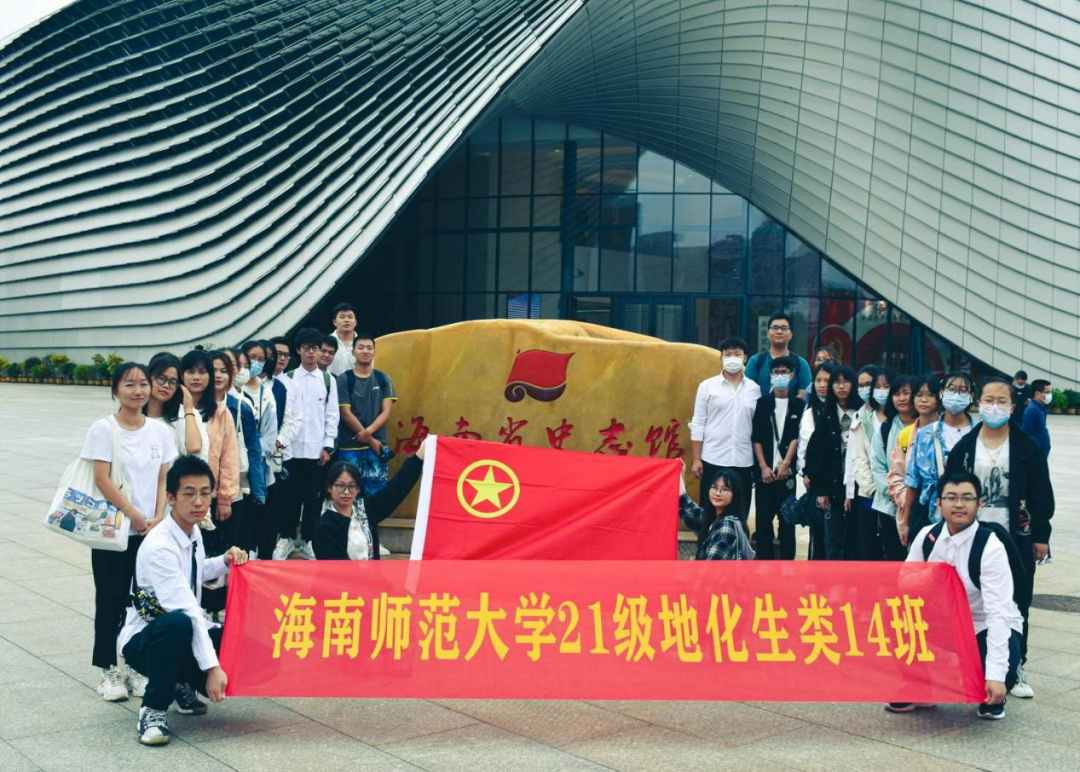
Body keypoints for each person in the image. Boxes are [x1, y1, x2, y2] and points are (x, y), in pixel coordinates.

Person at [119, 455, 248, 745]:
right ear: (171, 498)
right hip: (145, 640)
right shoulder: (160, 546)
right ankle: (153, 709)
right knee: (178, 624)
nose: (199, 502)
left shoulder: (192, 530)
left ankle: (179, 682)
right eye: (189, 494)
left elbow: (195, 571)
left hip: (179, 631)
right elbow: (185, 609)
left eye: (205, 493)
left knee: (235, 642)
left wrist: (224, 561)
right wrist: (212, 669)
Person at [945, 376, 1054, 700]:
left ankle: (1016, 666)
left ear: (1012, 406)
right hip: (972, 537)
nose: (994, 406)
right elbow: (950, 487)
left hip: (1015, 537)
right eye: (988, 400)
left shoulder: (1026, 447)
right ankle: (968, 663)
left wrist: (1041, 535)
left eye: (1001, 401)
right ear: (978, 403)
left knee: (1017, 600)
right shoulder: (966, 446)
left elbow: (1041, 492)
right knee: (970, 600)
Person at [81, 363, 177, 702]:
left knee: (143, 602)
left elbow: (164, 477)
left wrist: (158, 516)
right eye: (129, 385)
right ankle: (108, 669)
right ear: (115, 391)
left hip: (150, 532)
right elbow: (102, 478)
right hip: (113, 531)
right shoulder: (103, 429)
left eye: (143, 384)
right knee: (110, 598)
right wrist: (133, 514)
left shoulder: (160, 431)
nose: (138, 391)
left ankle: (135, 664)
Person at [894, 472, 1023, 720]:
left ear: (979, 503)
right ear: (938, 503)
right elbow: (904, 583)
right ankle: (918, 686)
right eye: (951, 497)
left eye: (967, 498)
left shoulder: (990, 547)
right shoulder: (927, 536)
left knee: (998, 678)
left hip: (981, 623)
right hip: (940, 621)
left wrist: (995, 675)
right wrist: (932, 577)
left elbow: (998, 613)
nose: (959, 504)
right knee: (900, 619)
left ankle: (997, 685)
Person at [275, 328, 339, 561]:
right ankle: (286, 538)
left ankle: (309, 541)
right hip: (290, 451)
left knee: (313, 499)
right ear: (298, 350)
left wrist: (327, 446)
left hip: (316, 451)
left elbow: (332, 416)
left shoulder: (328, 381)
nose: (311, 352)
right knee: (288, 498)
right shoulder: (288, 379)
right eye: (306, 347)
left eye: (315, 348)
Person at [312, 444, 425, 560]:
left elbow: (395, 491)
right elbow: (337, 568)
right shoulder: (324, 526)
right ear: (329, 488)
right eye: (340, 486)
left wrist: (418, 459)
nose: (346, 492)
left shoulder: (365, 510)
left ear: (358, 489)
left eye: (352, 486)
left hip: (372, 571)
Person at [689, 337, 760, 519]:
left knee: (740, 511)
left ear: (745, 358)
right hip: (712, 457)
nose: (732, 358)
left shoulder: (754, 389)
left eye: (737, 354)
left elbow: (758, 428)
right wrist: (696, 459)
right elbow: (698, 423)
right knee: (709, 511)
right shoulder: (707, 387)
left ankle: (737, 538)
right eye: (728, 354)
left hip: (743, 460)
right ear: (721, 357)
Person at [902, 372, 976, 544]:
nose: (957, 394)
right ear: (942, 392)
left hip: (970, 516)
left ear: (971, 396)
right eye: (951, 389)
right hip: (930, 515)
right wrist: (905, 522)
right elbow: (913, 481)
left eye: (963, 390)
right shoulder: (926, 434)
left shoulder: (979, 434)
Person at [805, 365, 862, 559]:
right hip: (833, 489)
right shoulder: (826, 414)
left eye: (846, 381)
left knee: (858, 540)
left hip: (860, 488)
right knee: (833, 542)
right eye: (836, 382)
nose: (841, 386)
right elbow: (815, 456)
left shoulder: (862, 413)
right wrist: (821, 490)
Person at [750, 356, 803, 560]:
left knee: (788, 521)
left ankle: (787, 567)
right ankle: (764, 566)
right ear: (770, 376)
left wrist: (787, 463)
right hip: (765, 475)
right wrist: (763, 466)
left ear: (792, 375)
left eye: (784, 372)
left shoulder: (798, 405)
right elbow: (756, 438)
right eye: (776, 372)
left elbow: (796, 437)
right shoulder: (762, 403)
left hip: (786, 475)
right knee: (763, 523)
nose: (780, 376)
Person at [180, 350, 239, 529]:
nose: (196, 377)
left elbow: (229, 457)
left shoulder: (220, 413)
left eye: (202, 372)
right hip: (176, 491)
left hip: (207, 493)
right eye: (190, 371)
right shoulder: (173, 410)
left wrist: (224, 498)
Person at [336, 334, 397, 498]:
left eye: (369, 348)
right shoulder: (344, 379)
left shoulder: (384, 379)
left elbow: (387, 412)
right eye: (361, 347)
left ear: (374, 352)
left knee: (376, 494)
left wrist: (368, 433)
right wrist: (369, 439)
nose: (365, 351)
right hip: (350, 446)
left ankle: (371, 518)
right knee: (348, 492)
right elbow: (345, 413)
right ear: (353, 352)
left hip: (378, 447)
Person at [870, 376, 917, 560]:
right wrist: (899, 496)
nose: (902, 398)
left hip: (920, 507)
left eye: (906, 393)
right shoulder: (885, 429)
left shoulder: (927, 426)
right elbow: (878, 468)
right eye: (897, 394)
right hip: (890, 506)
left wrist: (913, 499)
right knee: (893, 558)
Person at [845, 365, 887, 560]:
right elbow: (854, 458)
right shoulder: (859, 416)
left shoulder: (894, 416)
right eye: (860, 385)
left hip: (892, 492)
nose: (865, 389)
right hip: (867, 490)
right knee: (867, 544)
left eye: (869, 384)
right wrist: (852, 492)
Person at [797, 360, 838, 559]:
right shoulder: (809, 412)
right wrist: (805, 473)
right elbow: (803, 447)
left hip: (837, 482)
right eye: (818, 380)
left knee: (835, 537)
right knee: (818, 534)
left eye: (827, 381)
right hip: (814, 481)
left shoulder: (842, 411)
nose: (822, 385)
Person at [677, 467, 755, 560]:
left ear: (735, 494)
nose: (717, 493)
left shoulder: (727, 527)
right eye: (714, 487)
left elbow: (712, 567)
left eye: (725, 489)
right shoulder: (713, 519)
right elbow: (691, 513)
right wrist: (679, 478)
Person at [144, 353, 207, 460]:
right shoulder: (135, 412)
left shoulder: (186, 414)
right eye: (161, 378)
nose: (166, 385)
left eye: (172, 381)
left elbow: (194, 448)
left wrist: (188, 410)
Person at [744, 313, 813, 399]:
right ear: (767, 333)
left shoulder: (800, 363)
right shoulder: (755, 361)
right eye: (775, 328)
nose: (779, 332)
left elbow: (804, 393)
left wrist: (786, 405)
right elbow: (748, 392)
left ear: (791, 334)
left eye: (784, 328)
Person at [1021, 379, 1052, 458]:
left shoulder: (1041, 408)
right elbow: (1025, 432)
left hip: (1042, 452)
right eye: (1047, 392)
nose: (1050, 395)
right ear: (1037, 394)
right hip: (1035, 453)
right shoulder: (1032, 410)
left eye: (1050, 392)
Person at [327, 302, 359, 376]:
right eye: (342, 317)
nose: (346, 320)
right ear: (335, 322)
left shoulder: (363, 345)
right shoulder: (325, 344)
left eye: (350, 317)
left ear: (355, 322)